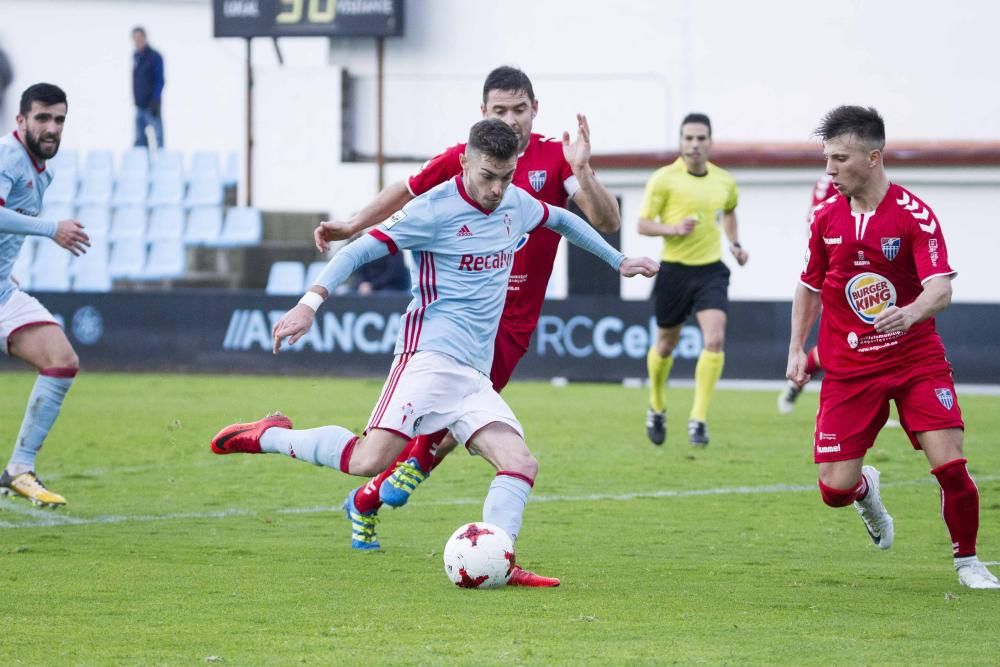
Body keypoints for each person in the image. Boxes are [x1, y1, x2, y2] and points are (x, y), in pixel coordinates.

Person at [210, 119, 657, 587]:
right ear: (464, 162)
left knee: (521, 463)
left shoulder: (515, 203)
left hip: (473, 375)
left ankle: (499, 559)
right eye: (487, 176)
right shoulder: (433, 210)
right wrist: (309, 304)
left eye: (506, 177)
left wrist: (619, 260)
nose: (496, 189)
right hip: (426, 358)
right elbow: (357, 252)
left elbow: (562, 219)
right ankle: (268, 435)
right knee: (369, 461)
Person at [311, 66, 621, 549]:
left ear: (534, 110)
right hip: (456, 317)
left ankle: (380, 489)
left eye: (519, 109)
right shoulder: (467, 157)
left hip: (514, 320)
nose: (511, 120)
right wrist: (353, 224)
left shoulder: (554, 159)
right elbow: (406, 192)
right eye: (500, 110)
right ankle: (405, 471)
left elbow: (605, 219)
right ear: (483, 113)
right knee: (452, 417)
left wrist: (582, 170)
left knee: (464, 418)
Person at [787, 105, 998, 589]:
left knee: (950, 462)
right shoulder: (825, 219)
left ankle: (968, 563)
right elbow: (808, 286)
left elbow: (940, 288)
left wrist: (911, 312)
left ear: (874, 158)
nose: (829, 169)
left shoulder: (913, 216)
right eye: (827, 158)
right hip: (849, 368)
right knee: (833, 491)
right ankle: (865, 489)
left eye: (839, 158)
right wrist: (797, 349)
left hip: (914, 360)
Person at [0, 83, 90, 507]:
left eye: (59, 119)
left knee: (61, 360)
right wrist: (52, 228)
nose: (51, 127)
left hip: (2, 292)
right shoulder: (8, 154)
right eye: (42, 118)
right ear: (21, 121)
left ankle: (19, 468)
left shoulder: (42, 169)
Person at [637, 113, 748, 447]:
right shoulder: (663, 179)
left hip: (710, 271)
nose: (695, 144)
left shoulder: (724, 181)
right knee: (666, 344)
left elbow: (729, 211)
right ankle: (656, 406)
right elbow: (642, 224)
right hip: (673, 270)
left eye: (701, 138)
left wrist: (735, 243)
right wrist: (672, 228)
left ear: (710, 141)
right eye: (689, 138)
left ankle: (698, 419)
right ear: (681, 142)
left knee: (715, 340)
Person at [777, 174, 836, 414]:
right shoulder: (828, 181)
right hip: (836, 273)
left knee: (853, 343)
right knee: (842, 344)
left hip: (864, 274)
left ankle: (798, 379)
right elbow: (815, 224)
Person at [132, 26, 164, 148]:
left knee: (158, 139)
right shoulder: (136, 56)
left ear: (145, 38)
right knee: (139, 141)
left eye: (139, 38)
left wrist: (155, 100)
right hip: (139, 106)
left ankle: (162, 164)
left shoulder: (155, 57)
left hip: (152, 106)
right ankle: (141, 166)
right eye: (135, 39)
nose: (137, 41)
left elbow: (160, 80)